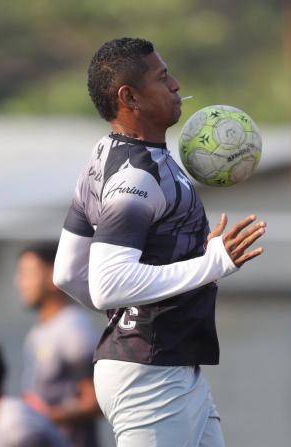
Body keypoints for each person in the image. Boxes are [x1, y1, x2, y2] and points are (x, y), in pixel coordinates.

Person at [52, 37, 266, 447]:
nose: (175, 85)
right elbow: (108, 285)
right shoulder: (136, 177)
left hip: (167, 366)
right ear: (129, 97)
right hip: (150, 379)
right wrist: (213, 263)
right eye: (162, 77)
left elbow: (66, 273)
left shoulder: (105, 156)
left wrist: (133, 313)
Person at [14, 242, 102, 447]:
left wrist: (41, 418)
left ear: (54, 275)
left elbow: (96, 402)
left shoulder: (73, 328)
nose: (19, 282)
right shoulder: (39, 331)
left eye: (27, 273)